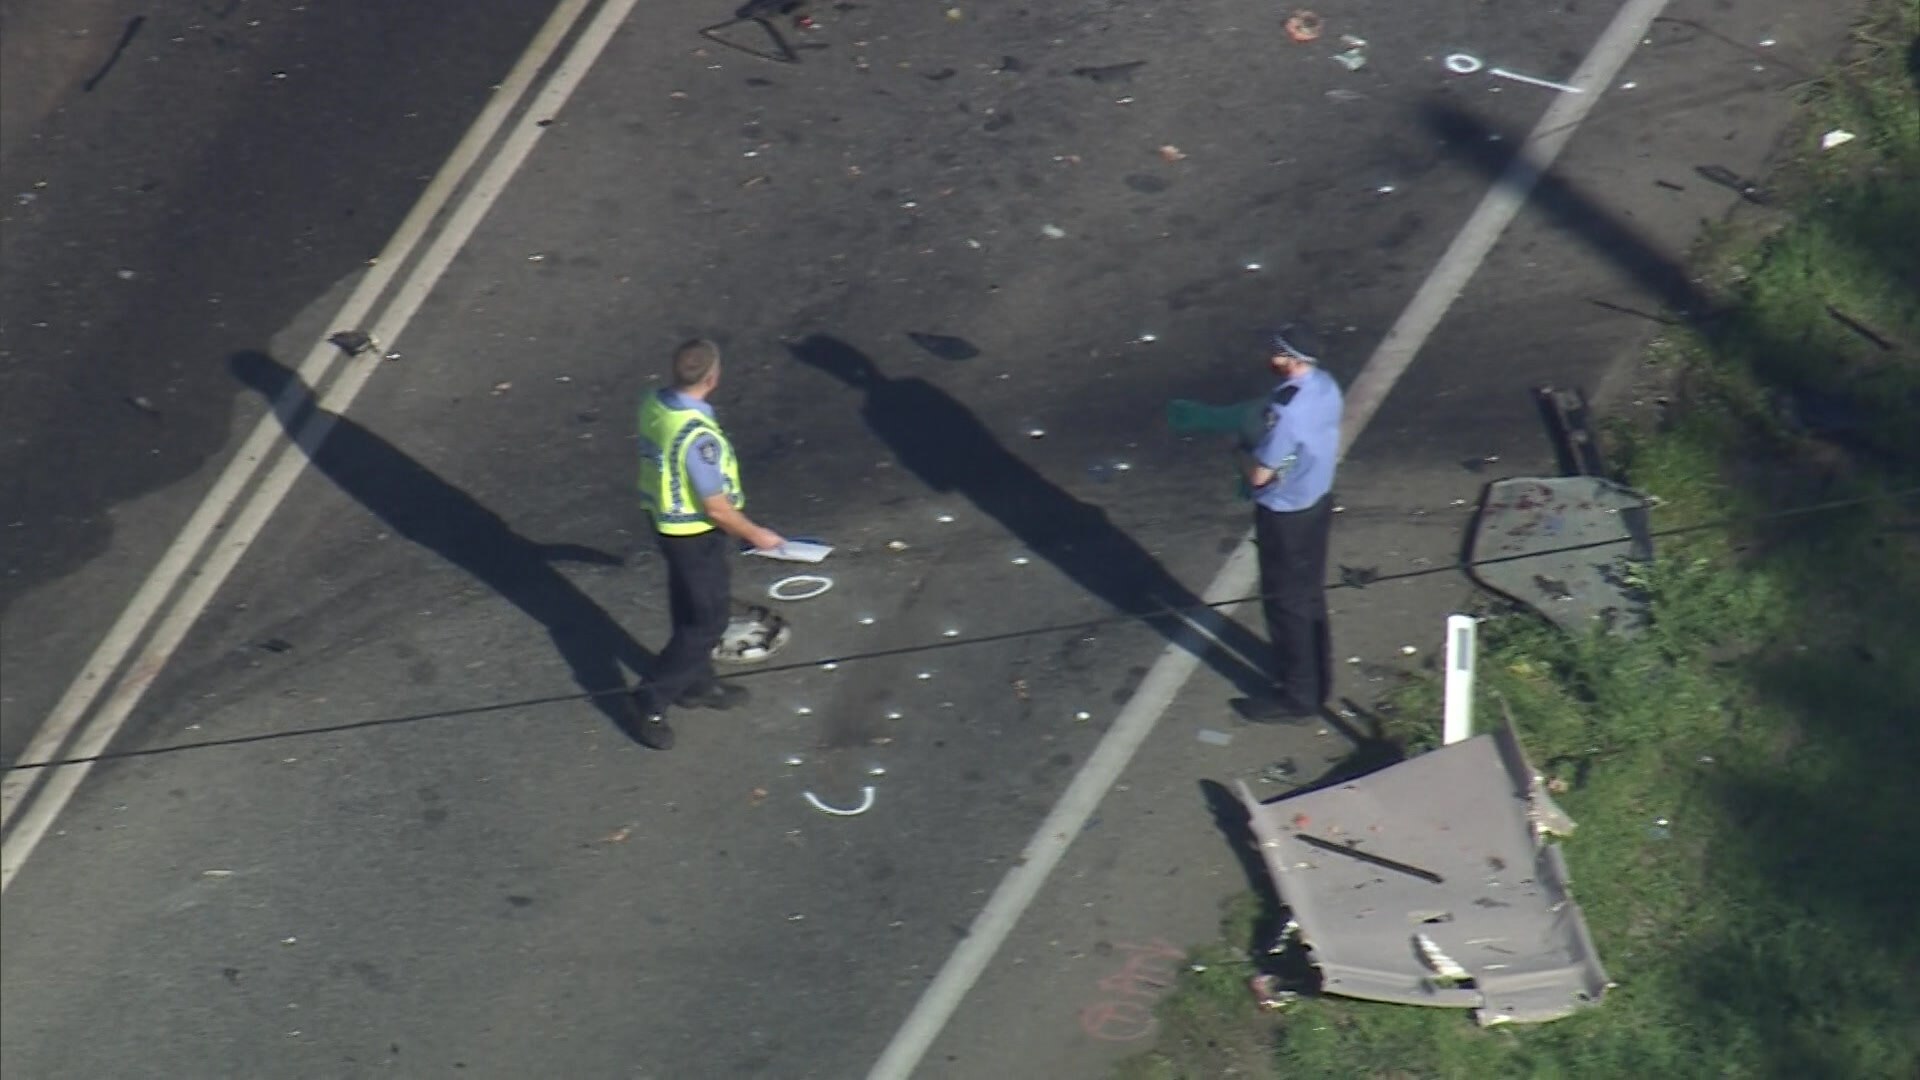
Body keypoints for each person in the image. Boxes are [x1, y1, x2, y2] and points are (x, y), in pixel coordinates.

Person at [631, 339, 784, 750]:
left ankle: (696, 684)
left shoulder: (656, 403)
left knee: (688, 611)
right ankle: (653, 697)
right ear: (713, 378)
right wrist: (757, 535)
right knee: (708, 623)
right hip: (694, 533)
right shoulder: (698, 438)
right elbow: (716, 507)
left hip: (665, 522)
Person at [1238, 327, 1343, 721]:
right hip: (1317, 499)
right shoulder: (1325, 386)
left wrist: (1239, 455)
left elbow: (1260, 475)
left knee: (1286, 604)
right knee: (1310, 595)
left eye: (1277, 353)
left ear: (1292, 358)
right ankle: (1318, 681)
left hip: (1286, 513)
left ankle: (1299, 696)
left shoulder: (1286, 408)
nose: (1270, 358)